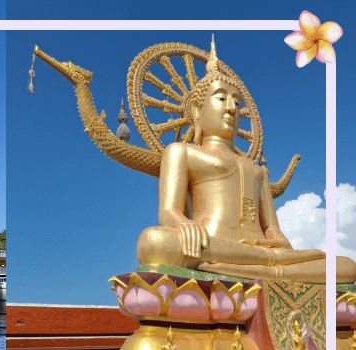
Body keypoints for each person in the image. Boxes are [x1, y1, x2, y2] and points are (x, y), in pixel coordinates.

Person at [135, 38, 356, 284]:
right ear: (197, 109)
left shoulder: (257, 170)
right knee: (154, 242)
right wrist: (182, 223)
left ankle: (255, 272)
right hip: (209, 244)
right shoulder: (181, 152)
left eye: (237, 103)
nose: (231, 109)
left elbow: (273, 231)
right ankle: (272, 274)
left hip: (261, 253)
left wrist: (278, 244)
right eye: (221, 99)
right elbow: (168, 212)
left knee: (346, 266)